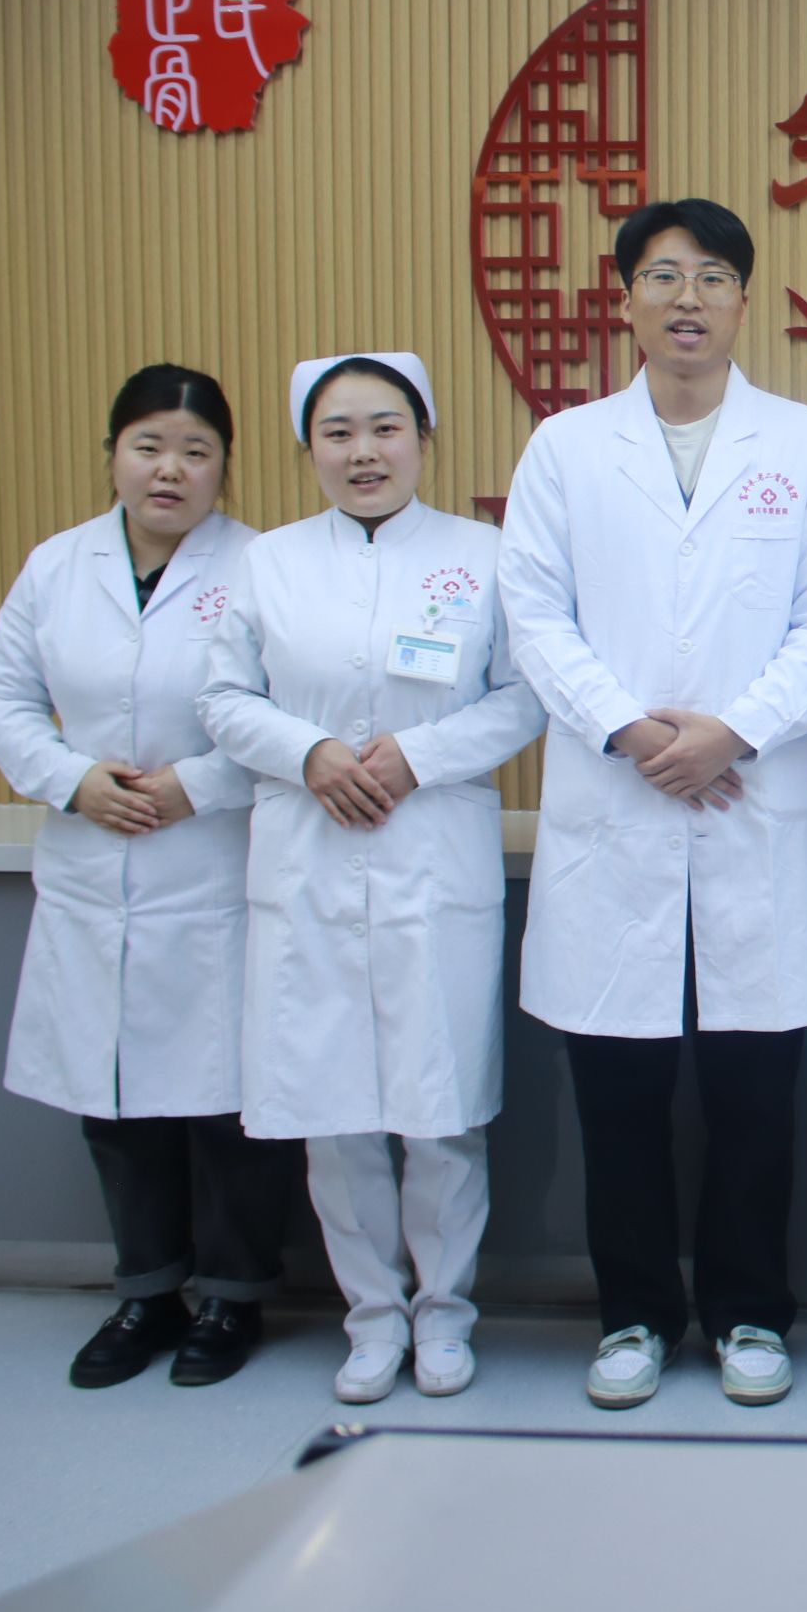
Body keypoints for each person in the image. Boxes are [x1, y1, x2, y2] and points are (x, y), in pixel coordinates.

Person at [497, 198, 807, 1410]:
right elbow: (534, 613)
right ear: (626, 300)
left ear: (745, 301)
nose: (688, 298)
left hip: (749, 800)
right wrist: (629, 727)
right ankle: (634, 1317)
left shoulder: (804, 445)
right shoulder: (565, 447)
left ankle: (752, 1312)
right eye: (663, 275)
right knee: (620, 1098)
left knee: (756, 1099)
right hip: (619, 804)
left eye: (712, 276)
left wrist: (733, 731)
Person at [199, 354, 543, 1403]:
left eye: (386, 428)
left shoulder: (482, 556)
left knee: (441, 1110)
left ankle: (444, 1314)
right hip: (308, 856)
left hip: (431, 853)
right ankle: (371, 1318)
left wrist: (418, 758)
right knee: (332, 1108)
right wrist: (308, 753)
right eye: (338, 431)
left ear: (423, 440)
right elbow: (221, 698)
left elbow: (527, 696)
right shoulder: (267, 563)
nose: (363, 452)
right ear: (308, 449)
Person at [0, 365, 301, 1388]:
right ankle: (147, 1291)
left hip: (213, 865)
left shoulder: (260, 567)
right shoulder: (56, 566)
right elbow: (2, 700)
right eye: (149, 445)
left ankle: (233, 1297)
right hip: (92, 867)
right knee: (114, 1099)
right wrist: (73, 780)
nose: (170, 469)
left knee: (229, 1104)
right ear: (113, 454)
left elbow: (294, 718)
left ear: (224, 468)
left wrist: (192, 787)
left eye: (196, 452)